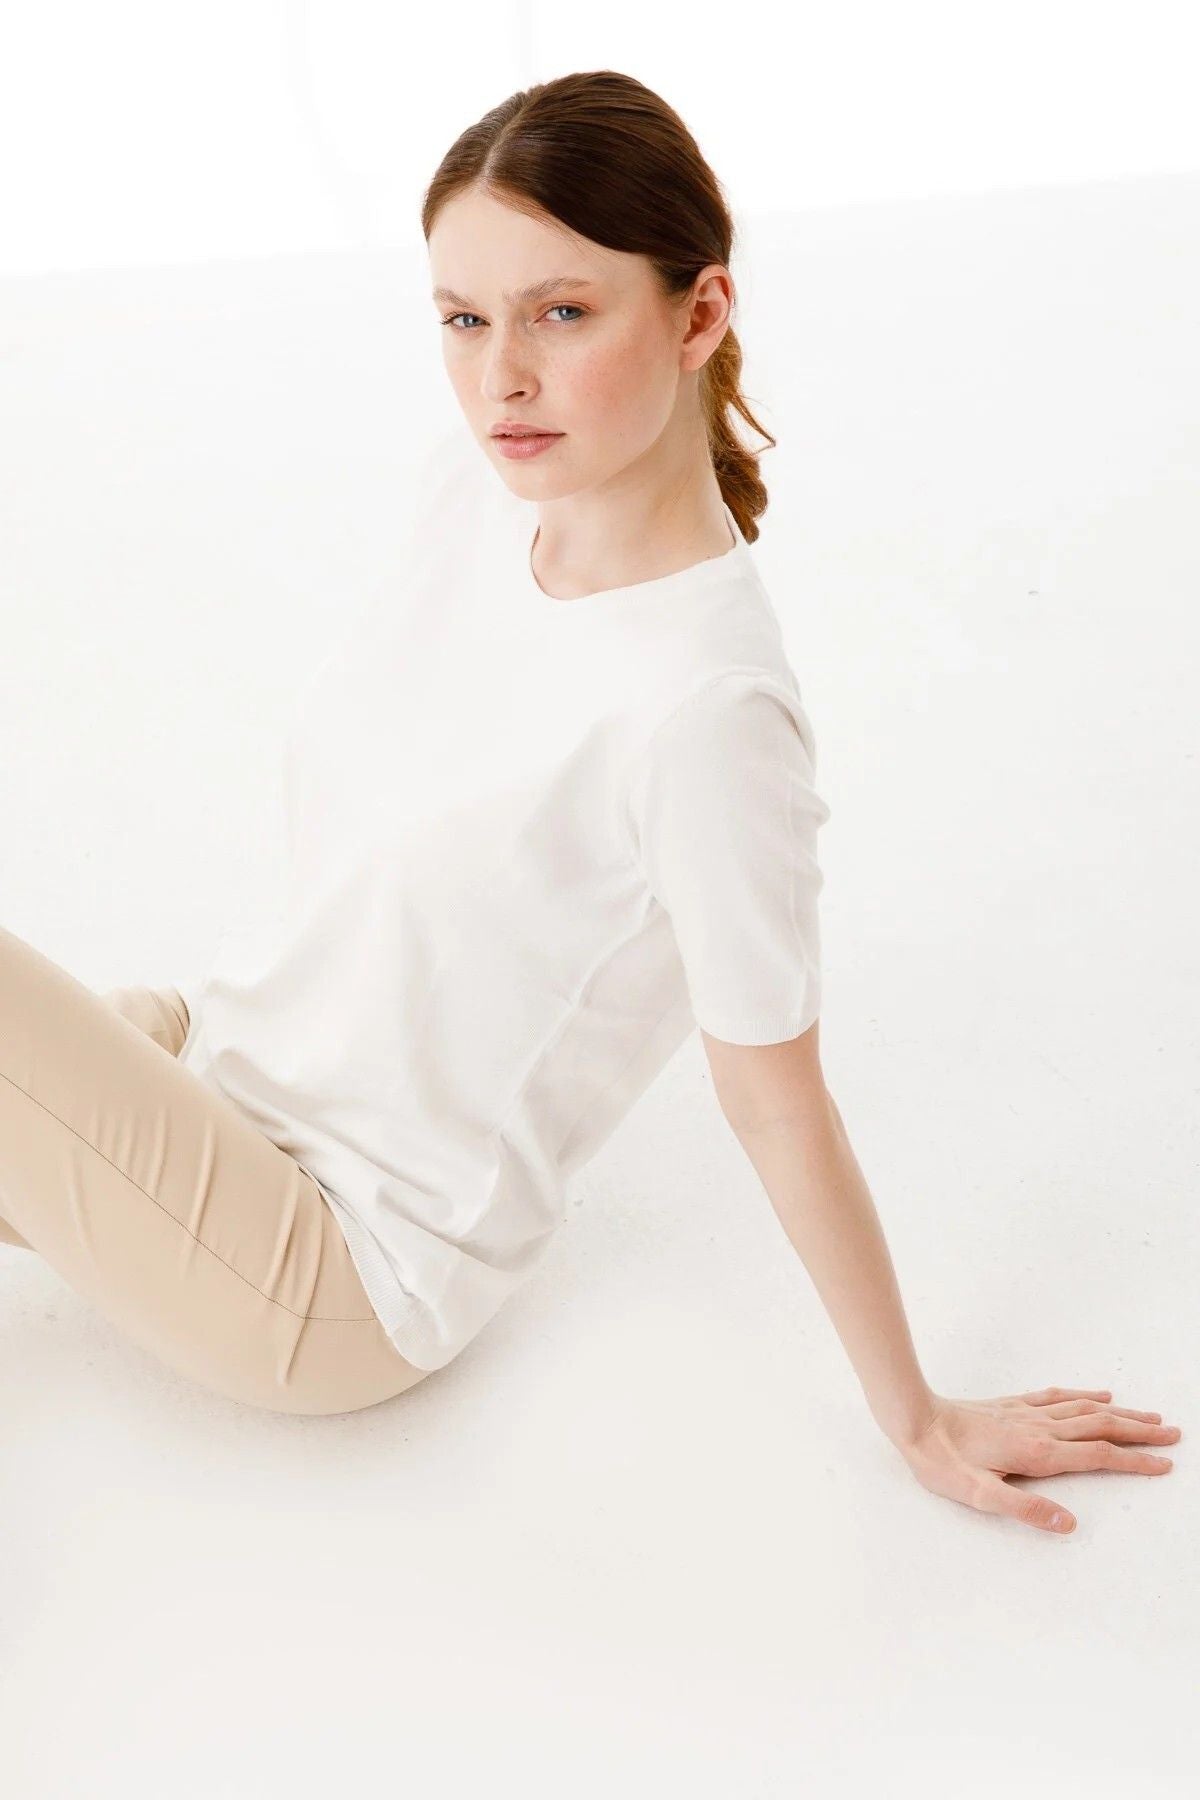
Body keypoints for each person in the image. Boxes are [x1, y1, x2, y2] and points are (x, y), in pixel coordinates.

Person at [2, 72, 1179, 1523]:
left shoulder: (707, 713)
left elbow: (778, 1105)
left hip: (331, 1264)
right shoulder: (477, 498)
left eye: (560, 313)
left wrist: (920, 1418)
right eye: (462, 319)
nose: (501, 377)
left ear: (699, 313)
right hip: (220, 1059)